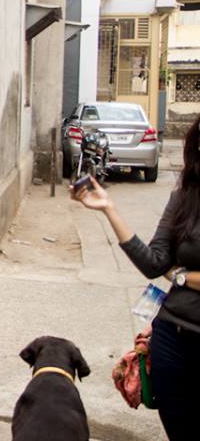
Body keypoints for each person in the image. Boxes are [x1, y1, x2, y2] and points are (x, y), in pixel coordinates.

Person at [71, 116, 200, 441]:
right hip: (172, 338)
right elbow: (155, 263)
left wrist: (180, 278)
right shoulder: (186, 196)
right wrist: (109, 209)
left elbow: (171, 272)